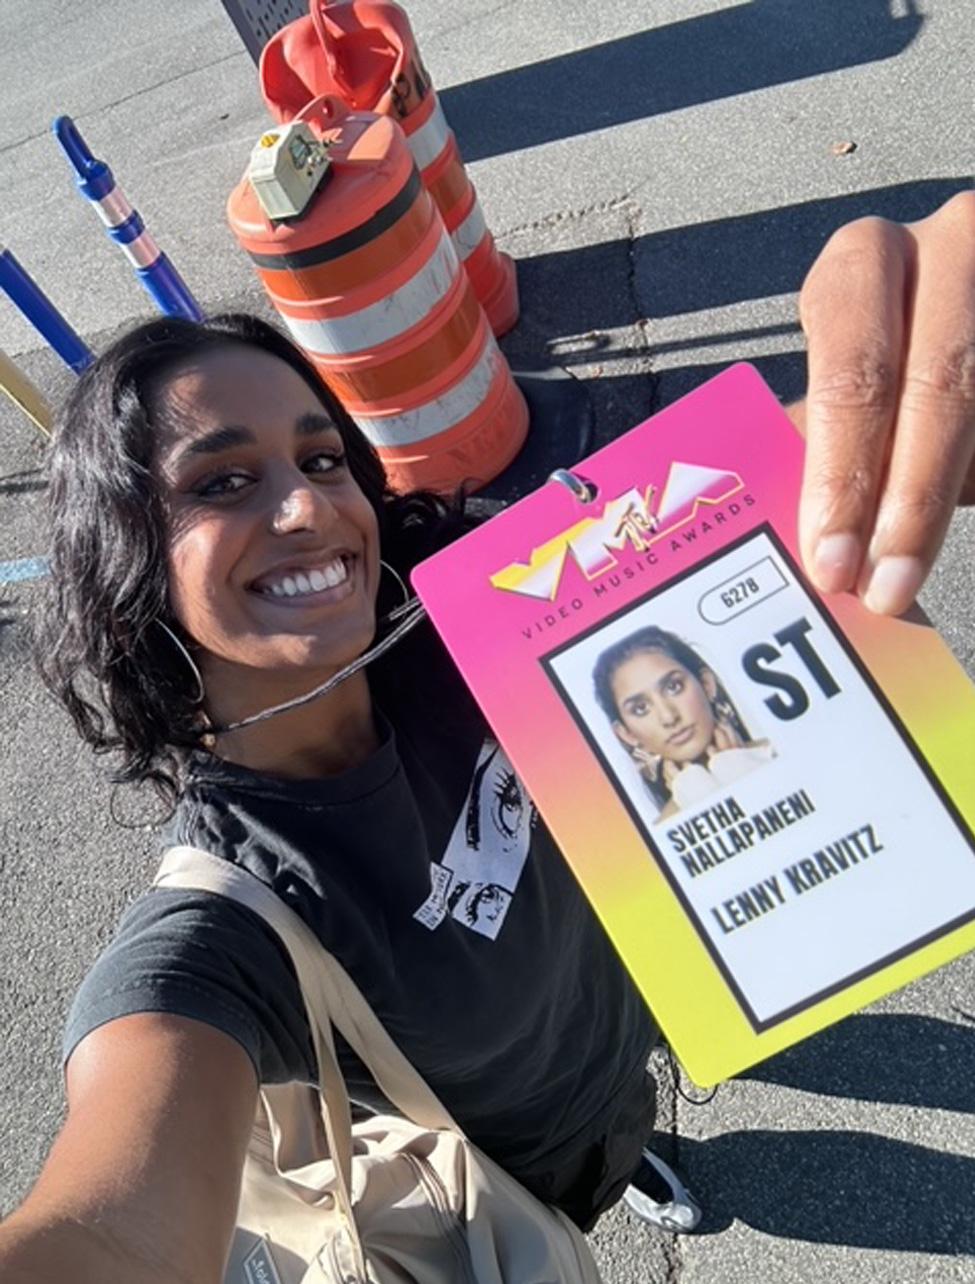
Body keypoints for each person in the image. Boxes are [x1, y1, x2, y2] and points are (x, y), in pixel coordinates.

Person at [1, 192, 974, 1281]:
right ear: (127, 567)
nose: (308, 508)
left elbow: (781, 477)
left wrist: (899, 390)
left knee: (655, 1079)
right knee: (591, 1183)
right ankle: (631, 1166)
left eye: (323, 460)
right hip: (530, 1173)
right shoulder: (223, 937)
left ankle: (646, 1123)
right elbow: (106, 1230)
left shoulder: (474, 602)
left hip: (658, 993)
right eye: (225, 482)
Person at [593, 627, 773, 819]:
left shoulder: (786, 747)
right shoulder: (661, 831)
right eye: (640, 708)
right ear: (627, 734)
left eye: (674, 687)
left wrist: (744, 774)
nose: (669, 718)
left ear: (707, 684)